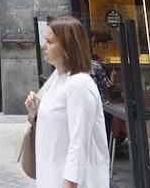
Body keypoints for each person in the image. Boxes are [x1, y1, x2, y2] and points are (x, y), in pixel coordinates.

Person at [25, 15, 109, 188]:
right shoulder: (57, 79)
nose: (44, 45)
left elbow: (79, 143)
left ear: (67, 46)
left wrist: (69, 183)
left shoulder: (79, 84)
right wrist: (35, 111)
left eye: (49, 41)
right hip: (51, 177)